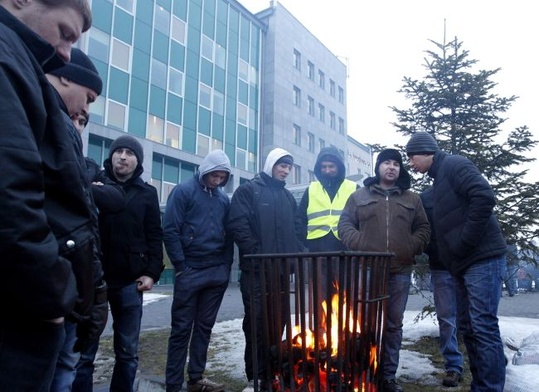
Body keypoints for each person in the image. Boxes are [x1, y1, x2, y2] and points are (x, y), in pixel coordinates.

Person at [0, 0, 95, 390]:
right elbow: (12, 196)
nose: (67, 53)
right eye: (65, 32)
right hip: (25, 313)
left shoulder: (22, 64)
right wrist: (55, 295)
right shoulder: (9, 60)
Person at [46, 47, 127, 392]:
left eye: (85, 120)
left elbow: (106, 204)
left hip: (77, 286)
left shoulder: (86, 164)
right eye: (89, 99)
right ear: (65, 77)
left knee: (66, 365)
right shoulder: (44, 127)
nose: (83, 114)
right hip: (50, 287)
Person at [406, 131, 507, 391]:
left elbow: (484, 197)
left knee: (483, 326)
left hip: (481, 258)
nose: (411, 164)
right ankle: (482, 384)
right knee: (469, 327)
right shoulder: (438, 180)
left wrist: (464, 243)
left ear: (425, 151)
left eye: (411, 157)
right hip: (462, 264)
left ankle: (490, 387)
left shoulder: (454, 164)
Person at [73, 135, 164, 392]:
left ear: (138, 161)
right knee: (84, 353)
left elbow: (155, 235)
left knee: (127, 352)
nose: (122, 156)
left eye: (129, 153)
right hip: (93, 279)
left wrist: (151, 273)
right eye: (118, 151)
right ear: (111, 156)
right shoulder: (93, 183)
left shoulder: (147, 193)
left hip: (130, 281)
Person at [338, 148, 430, 392]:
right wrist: (360, 244)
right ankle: (364, 373)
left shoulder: (412, 199)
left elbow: (423, 228)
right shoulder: (359, 196)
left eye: (396, 164)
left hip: (399, 270)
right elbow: (345, 224)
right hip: (366, 269)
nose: (391, 167)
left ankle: (388, 377)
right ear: (378, 167)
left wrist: (411, 246)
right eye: (386, 163)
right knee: (364, 323)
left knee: (392, 325)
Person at [228, 148, 303, 392]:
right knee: (257, 324)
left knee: (278, 322)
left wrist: (296, 253)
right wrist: (256, 253)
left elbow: (296, 227)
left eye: (288, 167)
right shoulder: (248, 191)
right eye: (282, 165)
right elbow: (238, 225)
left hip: (282, 273)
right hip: (256, 273)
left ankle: (272, 373)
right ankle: (256, 376)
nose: (285, 170)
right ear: (270, 164)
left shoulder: (288, 197)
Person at [163, 149, 233, 392]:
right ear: (206, 170)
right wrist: (181, 267)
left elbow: (229, 235)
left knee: (204, 328)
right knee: (181, 330)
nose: (218, 180)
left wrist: (224, 269)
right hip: (190, 270)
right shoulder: (183, 192)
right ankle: (173, 385)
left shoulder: (223, 199)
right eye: (215, 175)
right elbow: (170, 229)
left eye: (223, 176)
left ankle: (195, 379)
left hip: (216, 273)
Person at [420, 187, 464, 388]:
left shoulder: (464, 191)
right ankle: (453, 366)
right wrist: (433, 249)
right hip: (440, 266)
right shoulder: (426, 198)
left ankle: (487, 359)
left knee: (477, 316)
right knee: (446, 318)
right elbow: (421, 228)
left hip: (469, 264)